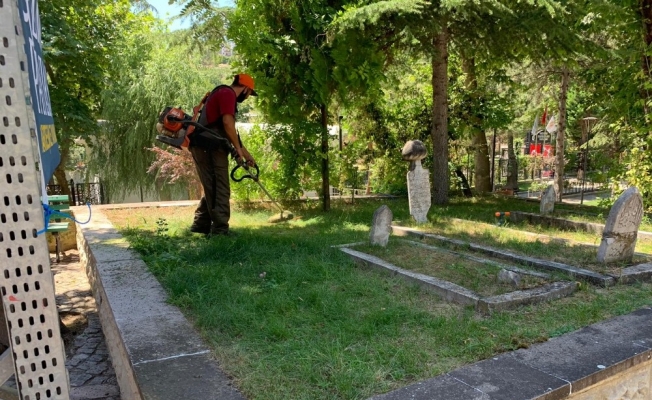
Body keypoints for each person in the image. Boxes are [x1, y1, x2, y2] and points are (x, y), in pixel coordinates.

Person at [188, 73, 257, 236]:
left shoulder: (223, 93)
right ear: (245, 89)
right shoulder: (227, 94)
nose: (248, 97)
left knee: (212, 185)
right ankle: (220, 231)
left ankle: (200, 225)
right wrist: (237, 150)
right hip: (208, 146)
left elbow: (231, 133)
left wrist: (246, 155)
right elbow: (227, 123)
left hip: (208, 145)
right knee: (220, 188)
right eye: (250, 93)